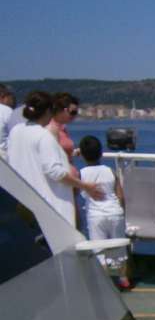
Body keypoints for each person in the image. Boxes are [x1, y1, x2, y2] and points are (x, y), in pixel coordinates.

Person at [7, 90, 100, 226]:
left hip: (22, 199)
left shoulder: (16, 131)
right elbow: (55, 172)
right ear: (47, 111)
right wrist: (85, 186)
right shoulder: (44, 136)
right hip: (48, 204)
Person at [79, 135, 131, 290]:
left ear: (82, 154)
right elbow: (120, 196)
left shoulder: (81, 174)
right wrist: (123, 213)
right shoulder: (110, 171)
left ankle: (104, 284)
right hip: (115, 213)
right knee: (119, 248)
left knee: (99, 249)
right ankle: (124, 279)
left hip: (95, 216)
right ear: (101, 153)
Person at [0, 84, 15, 159]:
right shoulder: (7, 111)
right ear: (3, 97)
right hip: (4, 158)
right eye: (11, 97)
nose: (12, 100)